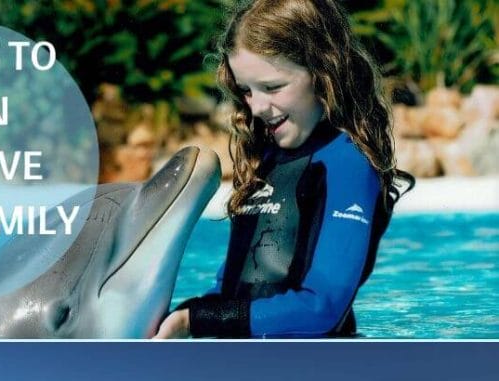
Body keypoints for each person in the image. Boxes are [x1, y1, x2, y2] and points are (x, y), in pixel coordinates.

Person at [155, 0, 414, 340]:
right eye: (246, 90)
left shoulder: (347, 163)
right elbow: (232, 292)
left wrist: (196, 321)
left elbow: (322, 307)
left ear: (323, 73)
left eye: (273, 87)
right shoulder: (267, 159)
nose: (258, 107)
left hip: (311, 365)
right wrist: (184, 316)